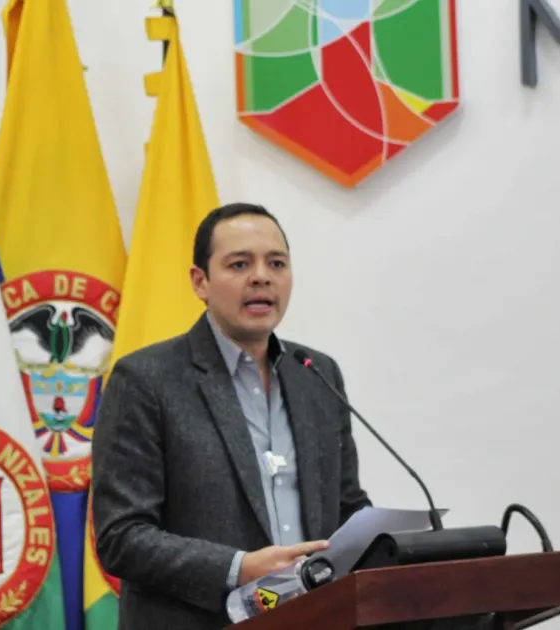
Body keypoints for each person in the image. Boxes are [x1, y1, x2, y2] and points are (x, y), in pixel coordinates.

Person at [91, 203, 371, 630]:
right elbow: (121, 537)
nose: (261, 276)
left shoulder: (317, 374)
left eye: (276, 263)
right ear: (199, 282)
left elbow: (348, 506)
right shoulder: (146, 380)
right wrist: (239, 567)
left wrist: (395, 546)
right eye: (240, 264)